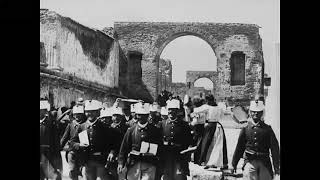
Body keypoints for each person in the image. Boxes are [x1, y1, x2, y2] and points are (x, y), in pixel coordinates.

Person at [69, 100, 120, 180]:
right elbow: (72, 142)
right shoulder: (81, 127)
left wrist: (112, 152)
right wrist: (79, 145)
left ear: (97, 113)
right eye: (88, 112)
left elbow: (114, 143)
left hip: (102, 161)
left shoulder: (104, 127)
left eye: (93, 112)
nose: (90, 114)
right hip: (87, 160)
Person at [232, 100, 280, 180]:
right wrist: (234, 164)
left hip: (264, 163)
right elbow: (239, 148)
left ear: (262, 113)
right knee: (248, 175)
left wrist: (276, 167)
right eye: (253, 112)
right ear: (250, 112)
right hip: (250, 162)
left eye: (258, 112)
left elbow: (275, 149)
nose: (256, 114)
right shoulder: (246, 128)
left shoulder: (267, 129)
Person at [117, 102, 162, 180]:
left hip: (149, 163)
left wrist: (160, 163)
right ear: (136, 115)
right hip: (134, 163)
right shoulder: (131, 130)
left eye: (144, 115)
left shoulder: (155, 130)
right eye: (139, 115)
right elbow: (124, 148)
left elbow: (160, 148)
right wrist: (121, 163)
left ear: (148, 116)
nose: (141, 117)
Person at [159, 99, 193, 180]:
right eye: (169, 110)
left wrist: (186, 153)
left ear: (177, 111)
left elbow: (189, 141)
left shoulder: (184, 125)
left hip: (179, 156)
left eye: (173, 110)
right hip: (166, 156)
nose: (171, 112)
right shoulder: (162, 124)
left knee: (179, 176)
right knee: (167, 176)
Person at [193, 94, 228, 170]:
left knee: (206, 143)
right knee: (218, 144)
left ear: (207, 100)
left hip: (210, 126)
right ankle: (218, 162)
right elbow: (222, 115)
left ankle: (204, 160)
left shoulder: (207, 107)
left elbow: (196, 110)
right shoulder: (219, 107)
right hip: (218, 126)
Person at [60, 104, 87, 180]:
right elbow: (64, 137)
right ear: (73, 115)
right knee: (72, 170)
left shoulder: (85, 124)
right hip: (72, 151)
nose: (77, 116)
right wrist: (59, 147)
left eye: (79, 114)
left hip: (83, 152)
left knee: (83, 171)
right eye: (75, 114)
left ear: (82, 115)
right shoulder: (70, 125)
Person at [40, 100, 62, 180]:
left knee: (50, 173)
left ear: (44, 111)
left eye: (41, 110)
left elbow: (55, 139)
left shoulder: (51, 123)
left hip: (49, 152)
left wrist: (57, 154)